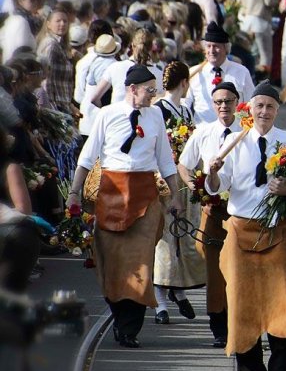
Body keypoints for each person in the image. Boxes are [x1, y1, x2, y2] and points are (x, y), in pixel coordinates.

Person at [205, 82, 286, 371]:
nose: (265, 112)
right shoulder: (235, 142)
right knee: (243, 308)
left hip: (278, 231)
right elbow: (217, 186)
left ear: (276, 110)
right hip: (241, 231)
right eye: (260, 107)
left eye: (270, 107)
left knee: (285, 305)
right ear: (249, 109)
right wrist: (213, 173)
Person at [66, 64, 183, 349]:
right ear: (132, 89)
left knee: (140, 263)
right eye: (149, 91)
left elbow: (165, 159)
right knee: (111, 262)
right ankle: (119, 315)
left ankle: (130, 328)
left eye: (155, 91)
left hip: (145, 195)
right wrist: (74, 193)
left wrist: (175, 195)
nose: (153, 96)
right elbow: (87, 156)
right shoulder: (107, 115)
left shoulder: (155, 115)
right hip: (111, 192)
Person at [177, 80, 241, 348]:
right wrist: (194, 186)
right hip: (214, 209)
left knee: (239, 269)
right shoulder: (204, 132)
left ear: (237, 102)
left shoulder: (247, 132)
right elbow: (183, 164)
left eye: (228, 101)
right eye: (218, 102)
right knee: (215, 273)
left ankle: (241, 321)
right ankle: (219, 327)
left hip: (241, 210)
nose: (223, 106)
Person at [152, 61, 203, 326]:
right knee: (165, 239)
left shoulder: (184, 109)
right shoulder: (158, 110)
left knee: (183, 236)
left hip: (181, 179)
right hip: (163, 180)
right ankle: (160, 300)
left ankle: (178, 288)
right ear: (185, 82)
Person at [186, 21, 254, 124]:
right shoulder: (194, 73)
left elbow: (251, 104)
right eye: (208, 46)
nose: (212, 51)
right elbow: (186, 105)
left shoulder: (241, 72)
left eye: (216, 46)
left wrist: (236, 120)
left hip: (234, 133)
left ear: (226, 49)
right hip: (203, 133)